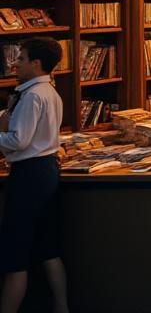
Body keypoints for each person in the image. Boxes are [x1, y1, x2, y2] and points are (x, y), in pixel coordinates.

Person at [0, 39, 68, 313]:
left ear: (35, 63)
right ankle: (61, 306)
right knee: (48, 248)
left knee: (16, 255)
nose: (15, 63)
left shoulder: (31, 96)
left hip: (28, 175)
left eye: (21, 58)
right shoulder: (50, 91)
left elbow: (19, 140)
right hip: (47, 171)